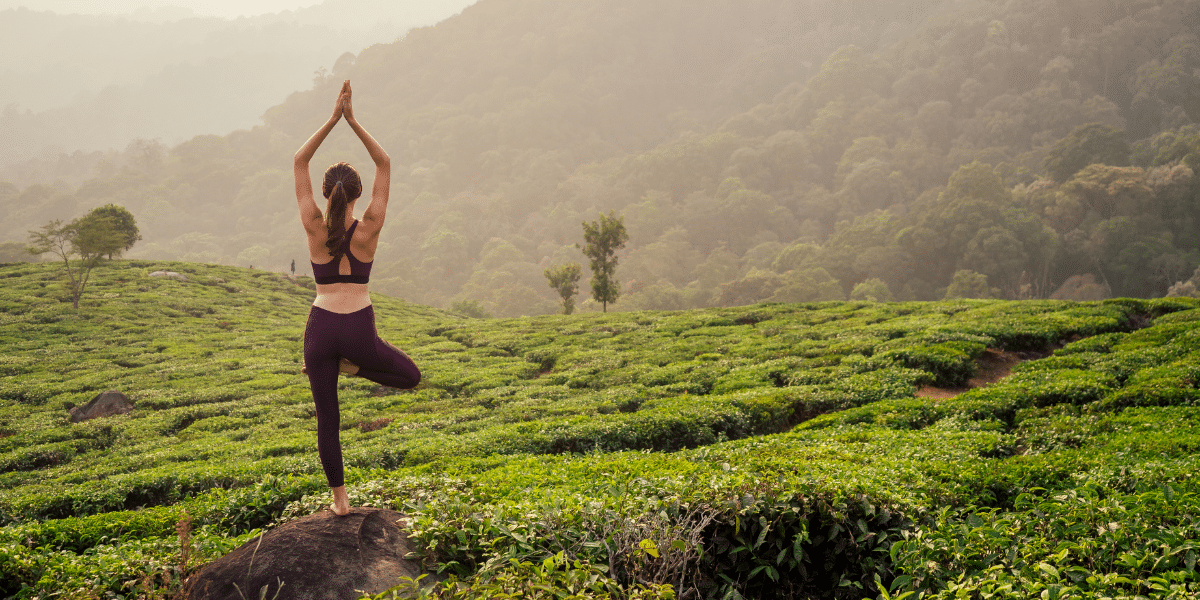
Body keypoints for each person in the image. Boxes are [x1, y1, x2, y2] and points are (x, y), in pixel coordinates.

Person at [294, 80, 421, 515]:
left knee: (327, 420)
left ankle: (340, 501)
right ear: (358, 194)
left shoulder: (313, 225)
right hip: (359, 331)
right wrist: (352, 120)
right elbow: (384, 161)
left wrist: (332, 118)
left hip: (320, 330)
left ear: (325, 194)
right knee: (410, 376)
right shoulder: (369, 227)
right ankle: (353, 368)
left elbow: (299, 160)